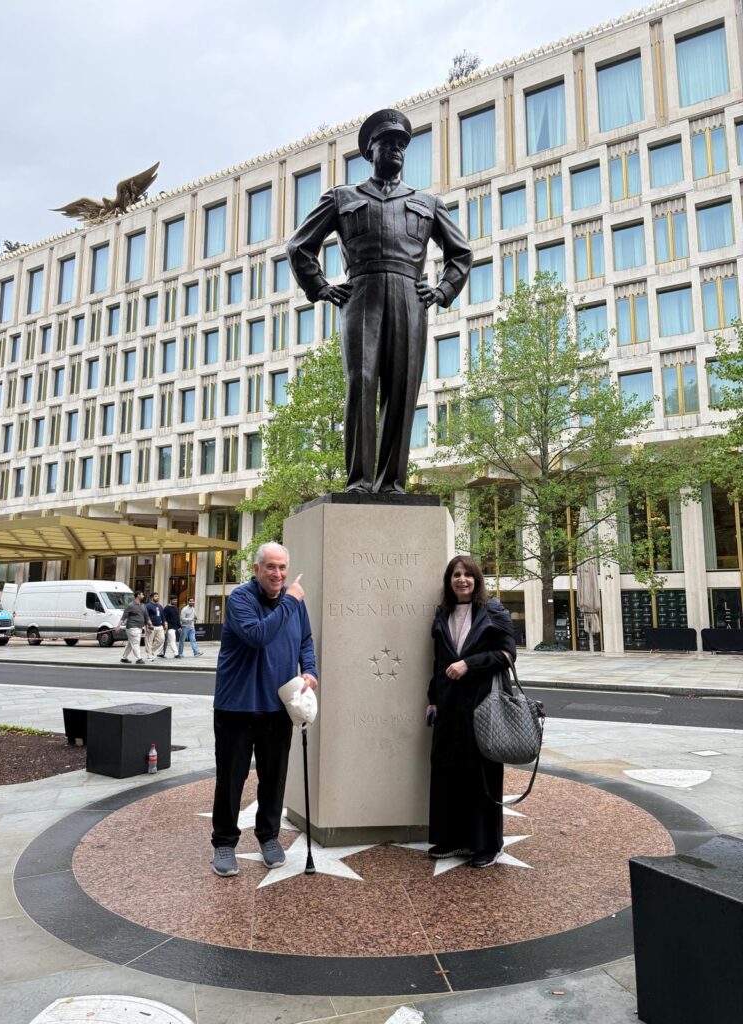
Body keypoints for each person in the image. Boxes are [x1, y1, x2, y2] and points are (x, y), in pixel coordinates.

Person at [287, 108, 472, 494]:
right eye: (388, 143)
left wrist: (442, 291)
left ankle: (392, 484)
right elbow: (299, 246)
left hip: (410, 296)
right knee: (361, 382)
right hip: (362, 293)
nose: (396, 149)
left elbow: (461, 253)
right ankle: (359, 481)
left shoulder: (428, 202)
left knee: (403, 388)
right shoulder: (342, 197)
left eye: (401, 144)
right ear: (370, 150)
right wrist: (320, 286)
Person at [211, 542, 318, 877]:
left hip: (277, 707)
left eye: (282, 567)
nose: (277, 574)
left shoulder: (293, 603)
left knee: (274, 776)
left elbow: (305, 640)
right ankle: (224, 842)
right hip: (237, 706)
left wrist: (310, 670)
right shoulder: (241, 599)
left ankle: (268, 836)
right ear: (256, 569)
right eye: (271, 567)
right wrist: (290, 601)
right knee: (231, 778)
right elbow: (258, 636)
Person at [426, 556, 516, 868]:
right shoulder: (443, 613)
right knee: (448, 771)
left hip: (482, 705)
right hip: (448, 706)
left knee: (482, 775)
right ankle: (453, 838)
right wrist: (432, 698)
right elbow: (438, 661)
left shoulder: (493, 610)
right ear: (449, 580)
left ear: (476, 580)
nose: (461, 579)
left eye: (467, 574)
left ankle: (488, 844)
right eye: (455, 574)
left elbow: (508, 654)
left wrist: (469, 664)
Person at [119, 591, 148, 665]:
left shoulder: (143, 605)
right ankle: (139, 658)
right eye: (142, 594)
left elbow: (146, 616)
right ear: (138, 595)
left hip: (139, 627)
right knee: (135, 642)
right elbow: (124, 616)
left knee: (130, 644)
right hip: (132, 627)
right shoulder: (131, 605)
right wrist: (118, 626)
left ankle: (124, 658)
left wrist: (148, 625)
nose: (143, 596)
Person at [144, 591, 165, 661]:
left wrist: (165, 623)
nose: (157, 597)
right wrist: (148, 625)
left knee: (161, 639)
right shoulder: (148, 606)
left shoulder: (160, 606)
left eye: (158, 596)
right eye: (156, 596)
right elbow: (146, 616)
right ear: (151, 598)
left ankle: (151, 650)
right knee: (149, 641)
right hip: (151, 625)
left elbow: (162, 615)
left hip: (159, 625)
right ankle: (149, 655)